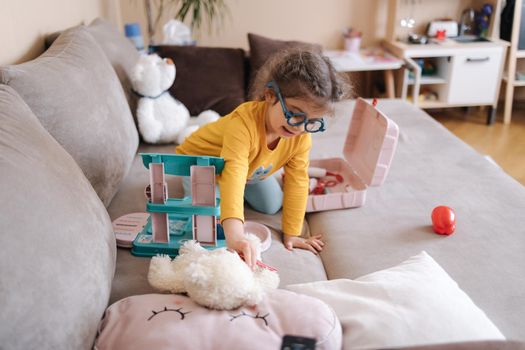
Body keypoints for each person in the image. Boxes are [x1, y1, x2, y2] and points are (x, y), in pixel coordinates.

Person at [176, 48, 352, 268]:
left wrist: (292, 233)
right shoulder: (243, 124)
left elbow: (298, 180)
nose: (298, 127)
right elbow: (234, 174)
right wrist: (236, 234)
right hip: (201, 165)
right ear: (270, 96)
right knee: (209, 222)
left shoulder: (301, 136)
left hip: (249, 168)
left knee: (271, 204)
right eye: (295, 113)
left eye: (311, 122)